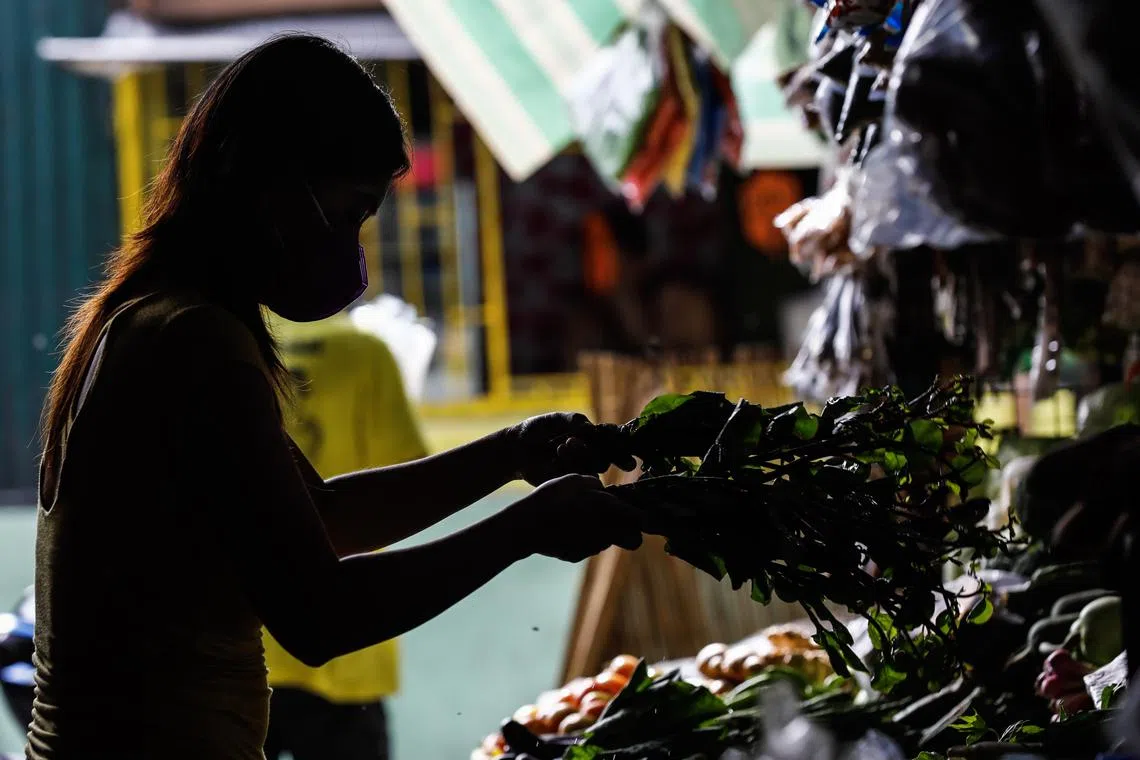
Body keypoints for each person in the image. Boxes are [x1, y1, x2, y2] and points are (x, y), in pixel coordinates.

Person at [31, 34, 642, 760]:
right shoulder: (193, 343)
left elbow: (320, 517)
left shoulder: (149, 319)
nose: (350, 247)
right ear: (267, 183)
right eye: (349, 212)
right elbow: (317, 613)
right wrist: (525, 530)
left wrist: (509, 456)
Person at [261, 310, 429, 760]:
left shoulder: (232, 349)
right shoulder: (367, 355)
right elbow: (408, 483)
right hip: (347, 640)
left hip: (242, 645)